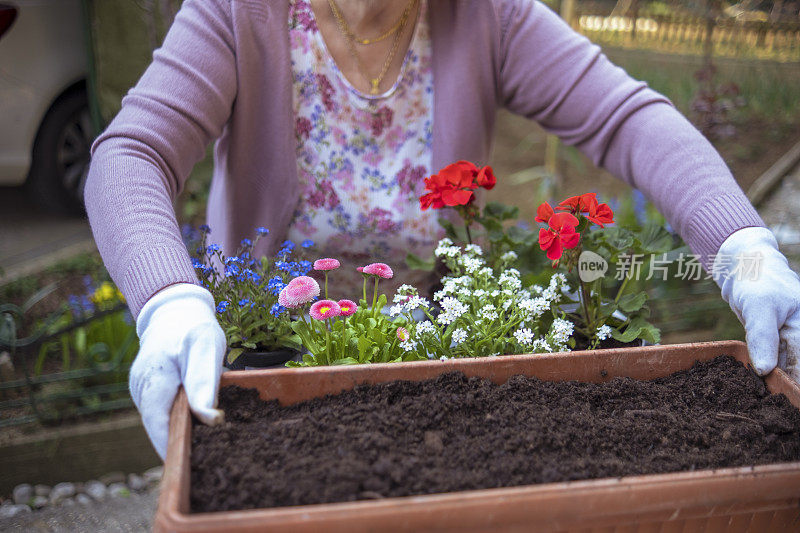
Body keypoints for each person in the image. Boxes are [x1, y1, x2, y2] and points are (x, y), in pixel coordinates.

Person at [84, 0, 800, 460]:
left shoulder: (488, 15)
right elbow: (133, 153)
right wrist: (168, 299)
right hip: (267, 368)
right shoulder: (239, 13)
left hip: (430, 369)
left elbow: (628, 119)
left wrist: (743, 246)